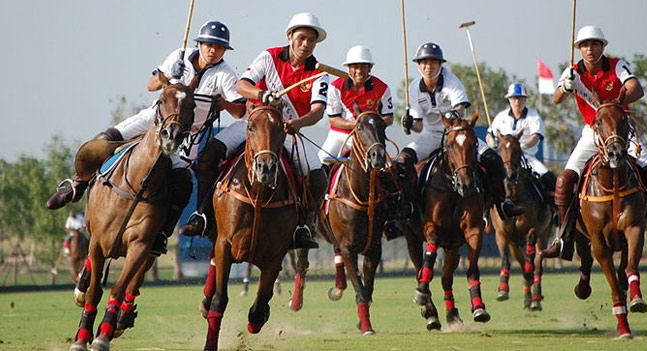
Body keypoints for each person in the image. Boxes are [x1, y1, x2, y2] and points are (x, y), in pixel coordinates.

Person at [47, 21, 246, 254]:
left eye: (219, 47)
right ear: (199, 44)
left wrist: (223, 103)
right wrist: (168, 76)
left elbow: (240, 111)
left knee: (182, 181)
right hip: (155, 120)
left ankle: (162, 234)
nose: (213, 50)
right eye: (209, 45)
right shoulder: (179, 56)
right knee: (105, 138)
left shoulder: (226, 74)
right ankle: (76, 184)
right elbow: (151, 85)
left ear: (224, 51)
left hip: (188, 135)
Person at [179, 13, 330, 249]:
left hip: (287, 131)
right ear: (290, 37)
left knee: (318, 177)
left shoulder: (320, 72)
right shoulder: (269, 56)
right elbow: (242, 85)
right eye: (301, 38)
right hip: (253, 124)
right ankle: (202, 216)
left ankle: (302, 226)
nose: (306, 44)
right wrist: (261, 95)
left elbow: (318, 110)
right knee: (209, 154)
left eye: (311, 40)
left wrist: (298, 124)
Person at [542, 25, 647, 260]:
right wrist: (566, 86)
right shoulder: (573, 71)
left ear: (602, 46)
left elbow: (636, 88)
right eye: (585, 45)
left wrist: (614, 105)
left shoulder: (617, 65)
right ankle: (563, 238)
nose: (590, 49)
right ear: (579, 49)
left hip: (621, 130)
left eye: (594, 44)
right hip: (593, 133)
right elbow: (557, 99)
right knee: (564, 181)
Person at [397, 42, 524, 219]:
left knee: (494, 160)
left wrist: (452, 114)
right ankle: (408, 205)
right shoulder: (414, 87)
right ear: (418, 65)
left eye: (433, 62)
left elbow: (461, 108)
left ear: (440, 64)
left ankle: (502, 203)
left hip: (457, 135)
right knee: (402, 161)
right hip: (431, 135)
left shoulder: (451, 81)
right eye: (424, 62)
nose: (428, 66)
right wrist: (409, 123)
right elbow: (418, 127)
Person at [318, 45, 404, 239]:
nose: (359, 71)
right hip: (341, 135)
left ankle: (390, 219)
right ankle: (318, 210)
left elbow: (388, 118)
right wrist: (357, 125)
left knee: (391, 170)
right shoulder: (336, 86)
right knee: (318, 163)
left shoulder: (382, 88)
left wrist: (371, 124)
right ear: (348, 68)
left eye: (363, 67)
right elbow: (333, 119)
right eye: (355, 67)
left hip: (370, 139)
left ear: (369, 69)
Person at [488, 82, 556, 198]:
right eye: (514, 98)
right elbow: (490, 134)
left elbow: (536, 136)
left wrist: (523, 146)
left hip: (527, 157)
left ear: (525, 99)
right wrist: (491, 142)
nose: (517, 102)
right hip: (503, 159)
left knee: (548, 177)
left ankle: (553, 210)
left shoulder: (533, 116)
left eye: (520, 98)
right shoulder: (501, 116)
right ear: (509, 99)